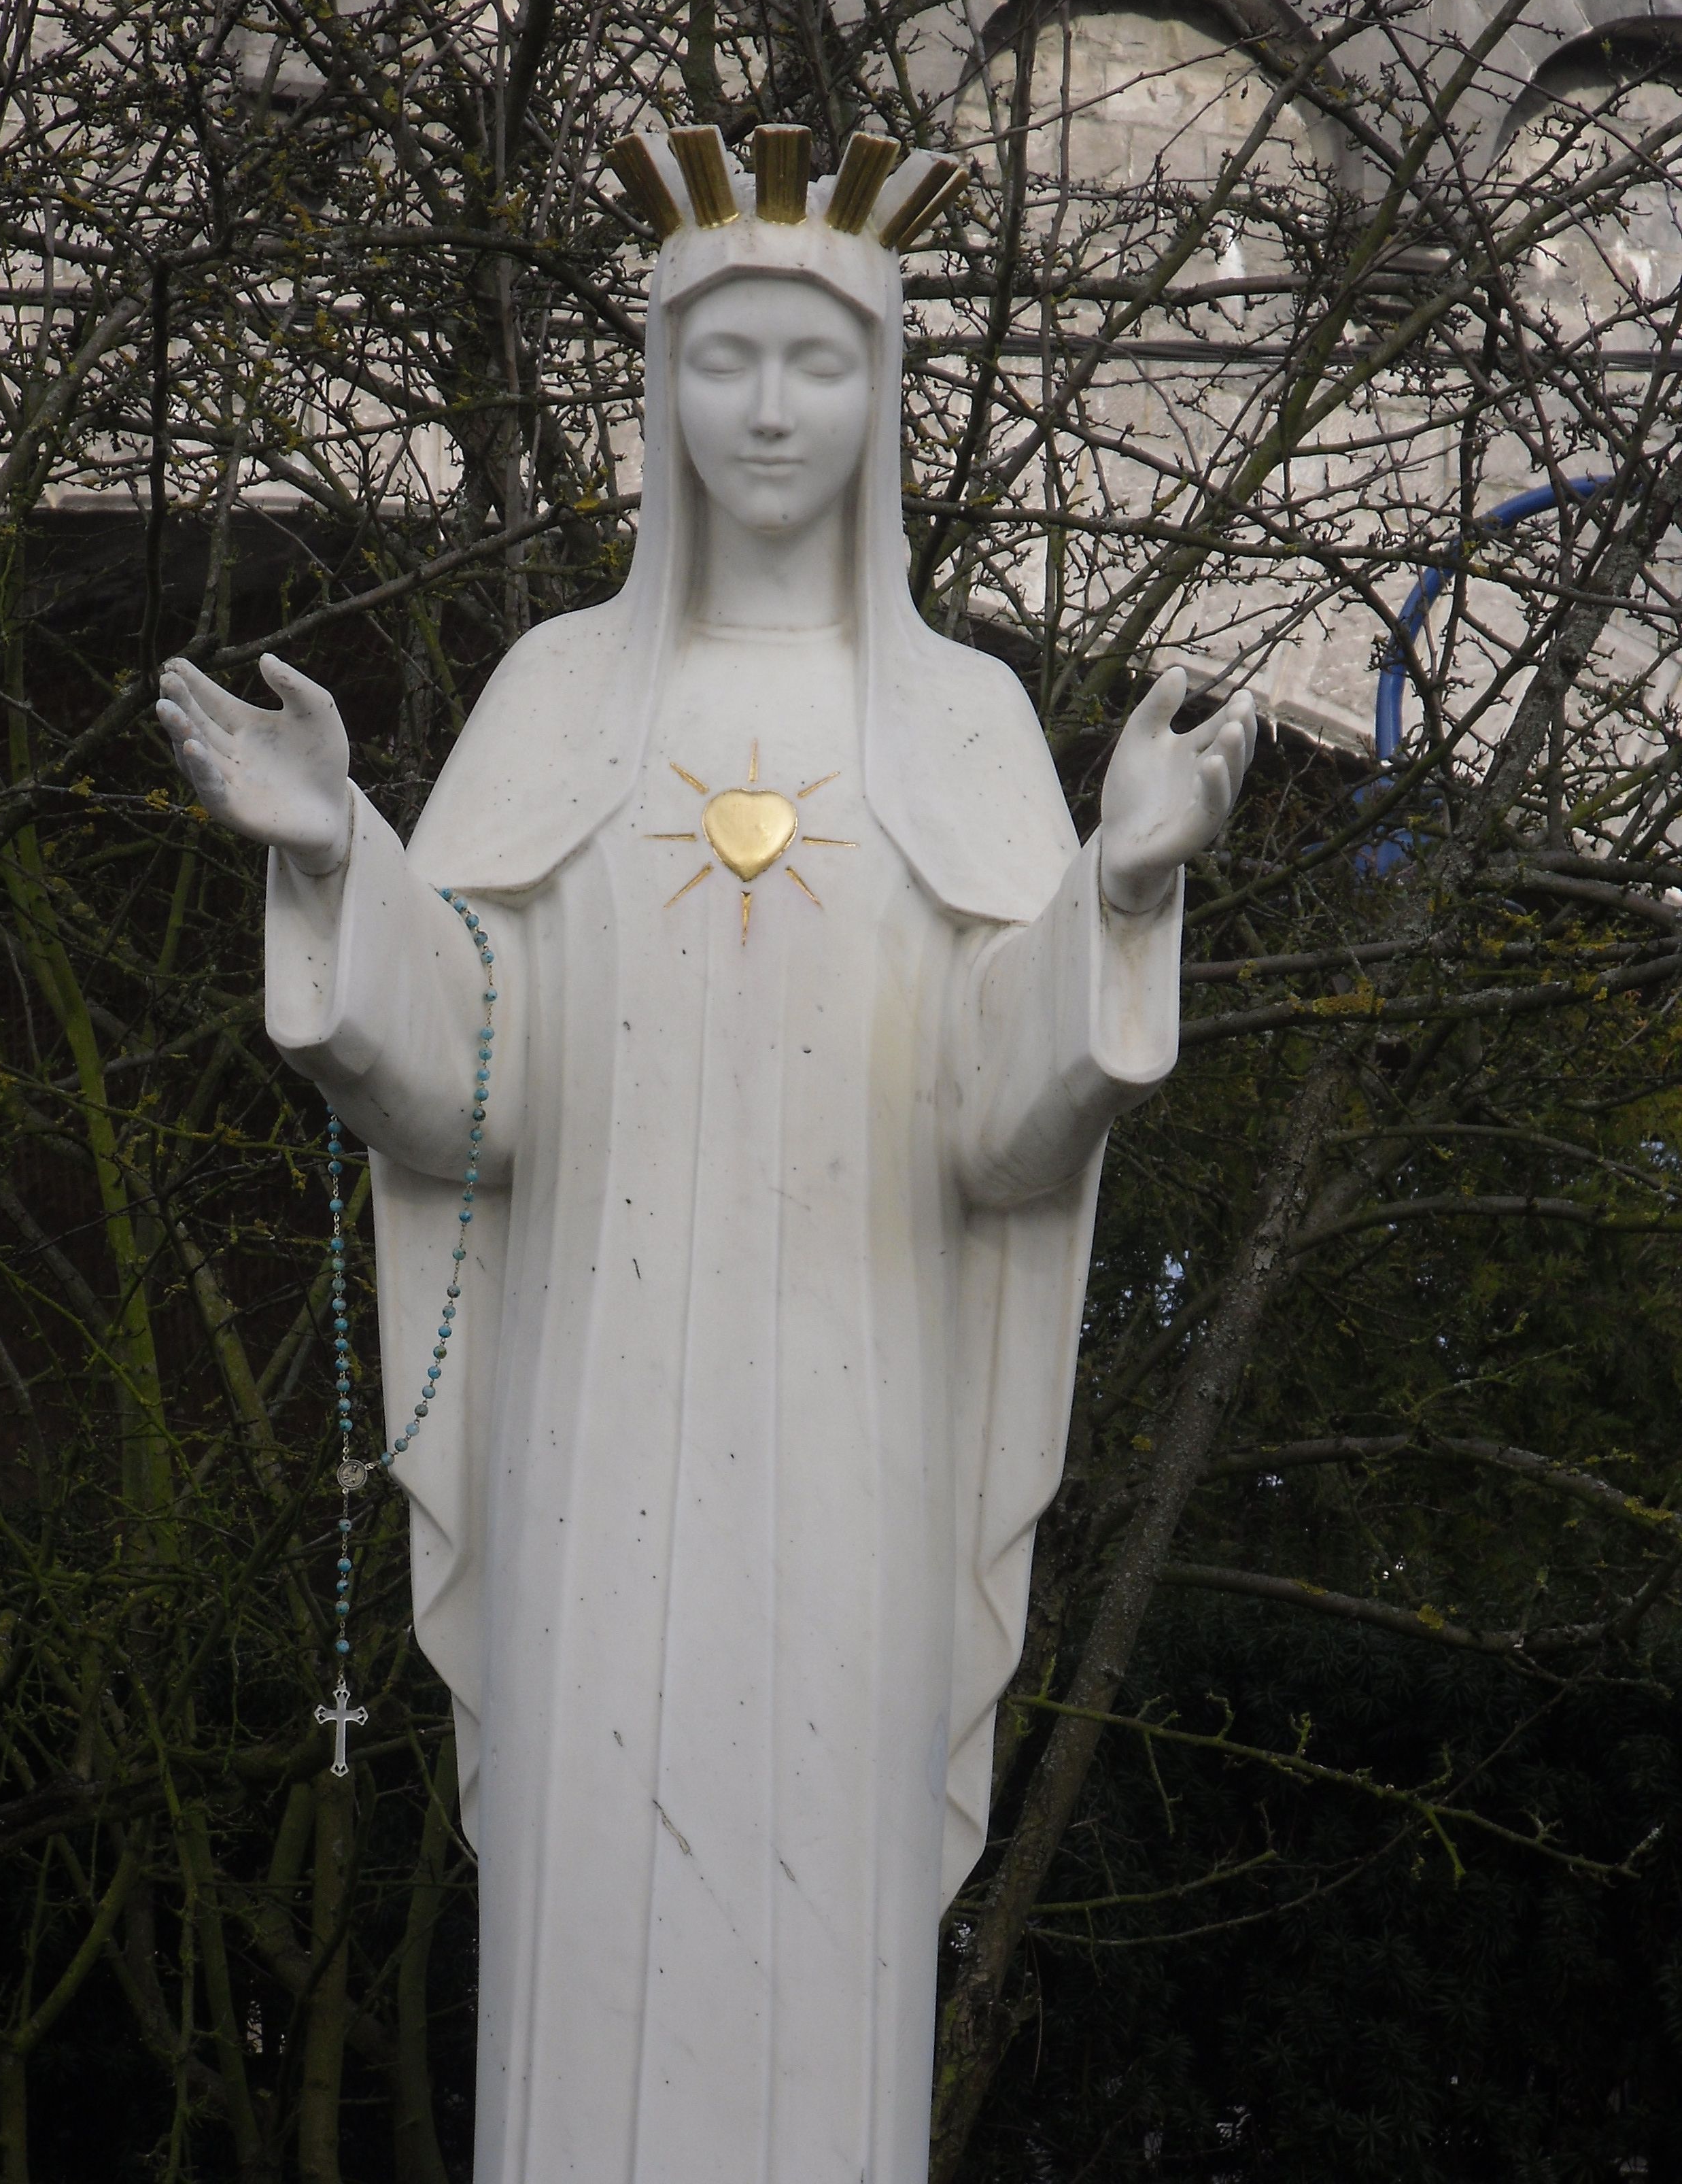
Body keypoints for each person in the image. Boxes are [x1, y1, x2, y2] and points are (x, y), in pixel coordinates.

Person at [157, 124, 1255, 2184]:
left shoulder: (962, 724)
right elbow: (473, 1082)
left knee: (812, 1863)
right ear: (659, 391)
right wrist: (342, 862)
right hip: (603, 1426)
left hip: (854, 1426)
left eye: (816, 362)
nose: (768, 408)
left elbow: (1002, 1133)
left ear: (885, 394)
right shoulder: (561, 694)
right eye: (725, 359)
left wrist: (1115, 891)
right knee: (601, 1865)